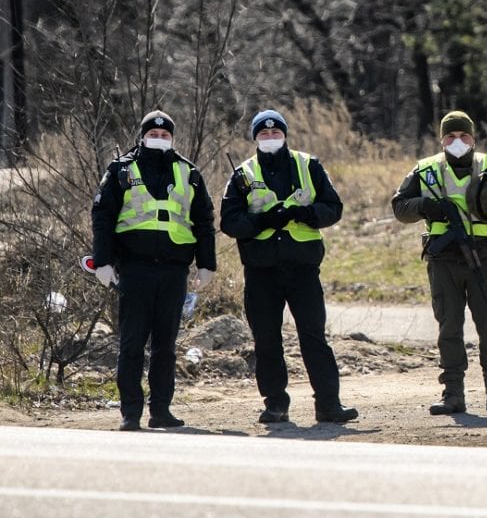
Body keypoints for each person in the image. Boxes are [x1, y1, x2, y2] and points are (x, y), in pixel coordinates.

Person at [219, 109, 357, 425]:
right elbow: (229, 222)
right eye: (263, 134)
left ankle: (328, 405)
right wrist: (262, 220)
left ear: (285, 135)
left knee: (314, 337)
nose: (270, 138)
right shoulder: (242, 174)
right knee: (267, 339)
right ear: (255, 138)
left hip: (302, 269)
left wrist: (306, 214)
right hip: (261, 270)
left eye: (275, 132)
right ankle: (275, 405)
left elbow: (333, 208)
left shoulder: (309, 165)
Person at [391, 110, 487, 415]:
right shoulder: (425, 171)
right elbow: (399, 207)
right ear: (441, 140)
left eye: (463, 136)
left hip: (484, 257)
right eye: (450, 136)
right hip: (443, 260)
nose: (457, 141)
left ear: (473, 139)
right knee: (449, 327)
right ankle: (452, 395)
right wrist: (426, 206)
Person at [90, 110, 217, 431]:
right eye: (153, 134)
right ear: (142, 135)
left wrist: (206, 264)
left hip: (174, 271)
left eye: (164, 135)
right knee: (131, 344)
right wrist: (102, 260)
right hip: (134, 269)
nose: (158, 139)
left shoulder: (189, 173)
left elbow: (204, 221)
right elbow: (102, 216)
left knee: (165, 346)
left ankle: (161, 410)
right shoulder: (121, 170)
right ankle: (130, 412)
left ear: (172, 138)